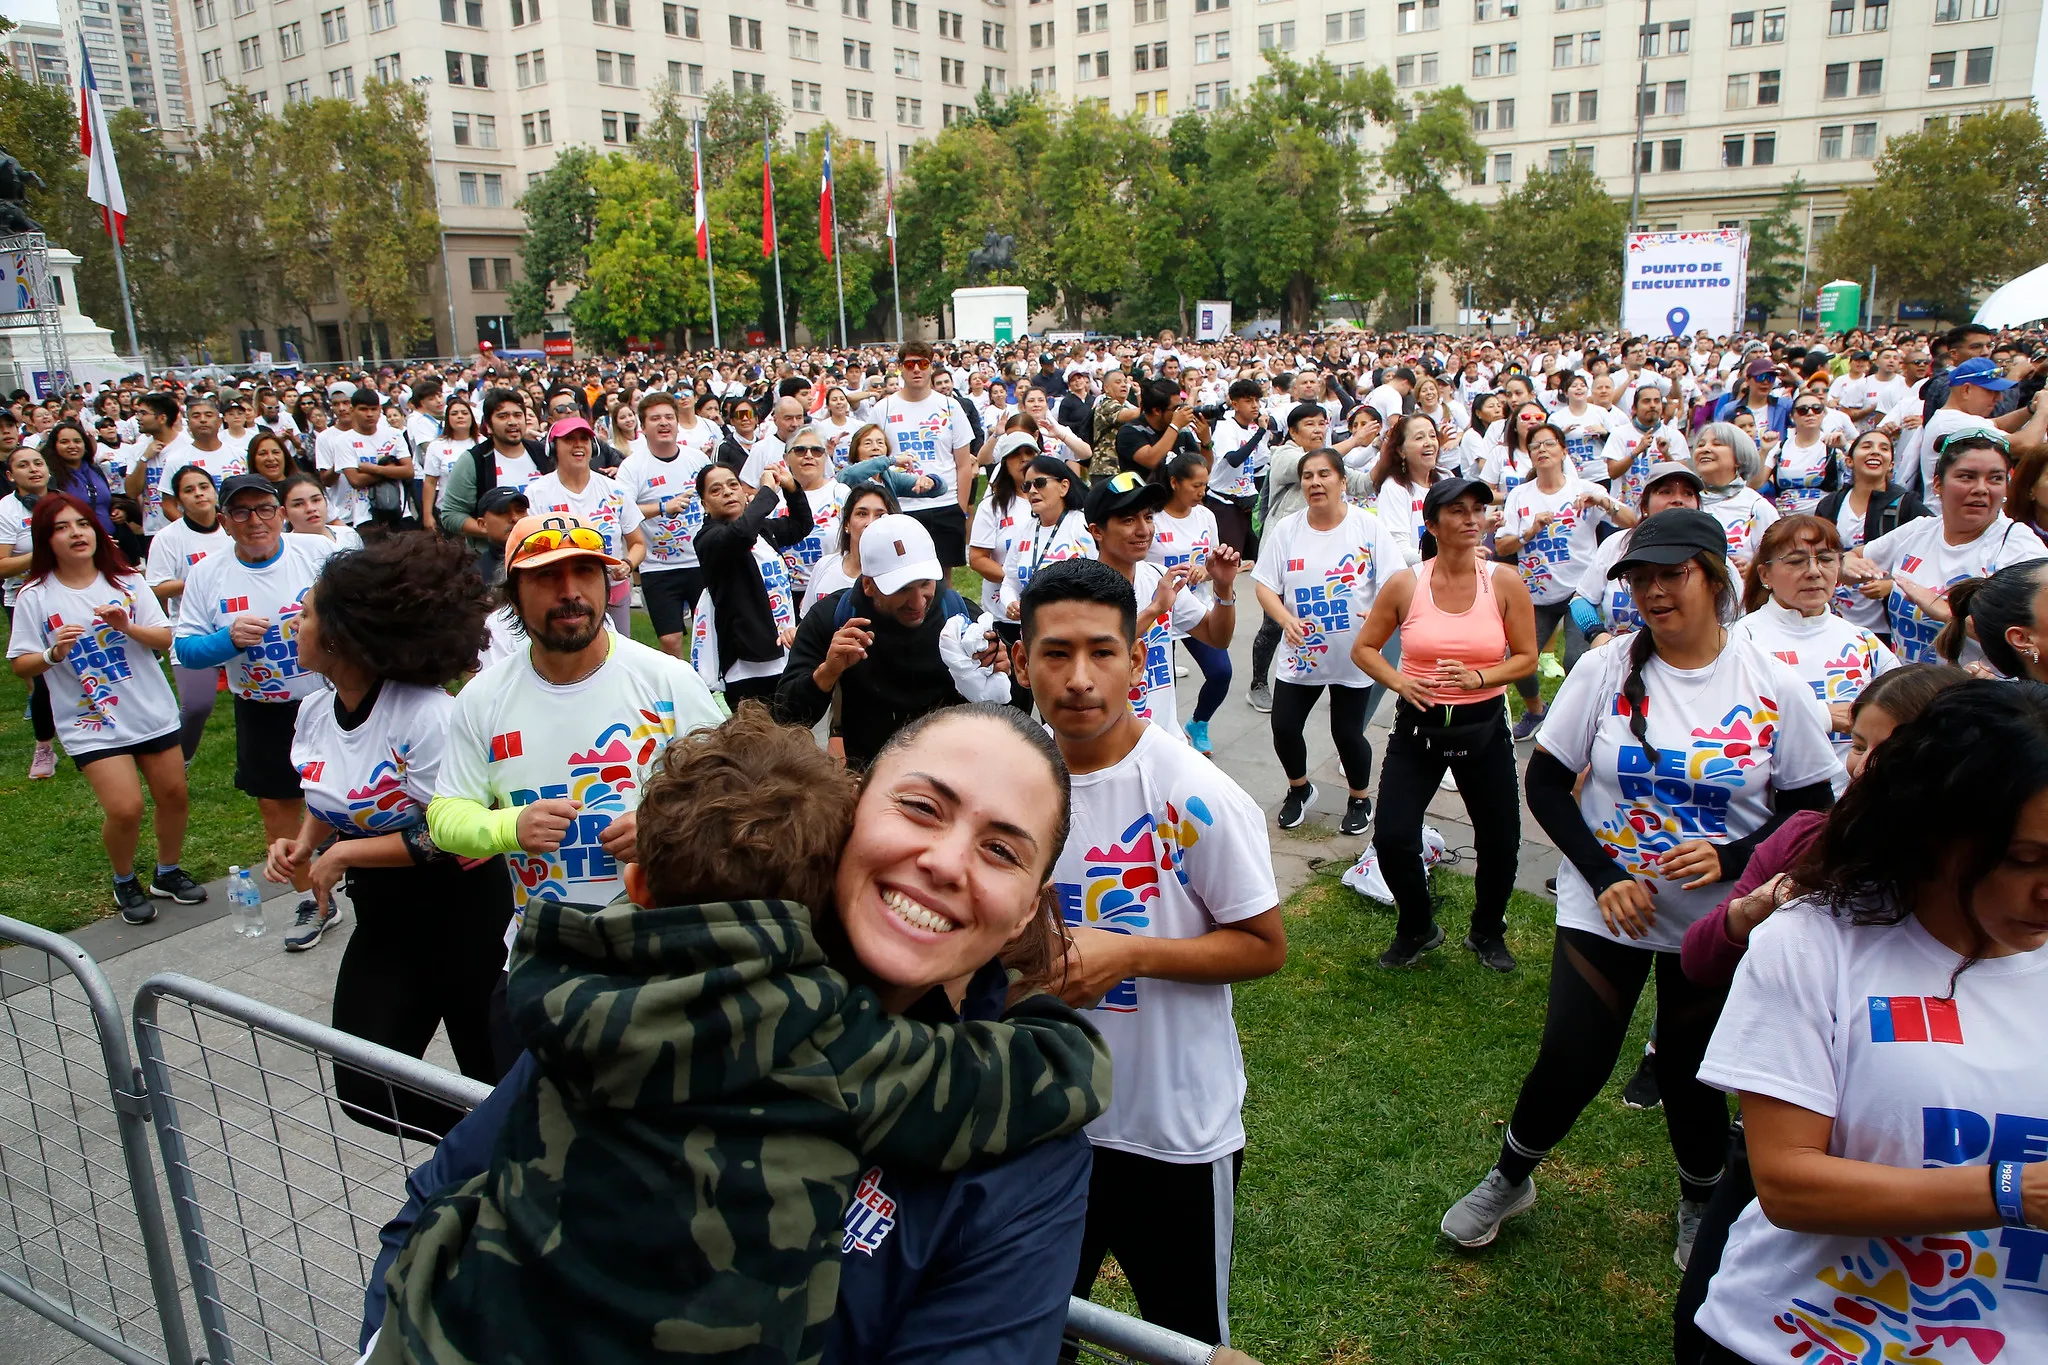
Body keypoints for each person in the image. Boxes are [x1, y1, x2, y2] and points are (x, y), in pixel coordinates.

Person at [364, 701, 1103, 1363]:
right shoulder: (690, 1004)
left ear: (1027, 905)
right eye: (920, 807)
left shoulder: (1029, 1164)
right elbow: (434, 1199)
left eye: (1002, 849)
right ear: (853, 808)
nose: (945, 861)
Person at [1440, 509, 1840, 1269]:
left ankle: (1697, 1200)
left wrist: (1731, 859)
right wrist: (1605, 874)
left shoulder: (1774, 684)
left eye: (1672, 574)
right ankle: (1509, 1177)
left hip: (1721, 919)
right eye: (1640, 578)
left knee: (1693, 1069)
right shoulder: (1605, 668)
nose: (1654, 592)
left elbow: (1812, 807)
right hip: (1608, 903)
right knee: (1571, 1054)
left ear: (1716, 577)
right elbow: (1550, 783)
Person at [1691, 680, 2048, 1365]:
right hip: (1808, 1339)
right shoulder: (1816, 939)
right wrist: (2011, 1191)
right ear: (1940, 830)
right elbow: (1790, 1180)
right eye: (2024, 859)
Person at [1016, 557, 1285, 1349]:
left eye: (1103, 651)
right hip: (1041, 1120)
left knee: (1186, 1337)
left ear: (1139, 659)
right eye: (1055, 653)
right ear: (1019, 659)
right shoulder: (1013, 783)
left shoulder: (1193, 792)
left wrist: (1130, 955)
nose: (1079, 678)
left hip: (1171, 1130)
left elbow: (1263, 945)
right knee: (1031, 1326)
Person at [262, 532, 512, 1139]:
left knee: (492, 1075)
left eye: (306, 613)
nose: (293, 622)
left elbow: (456, 835)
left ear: (339, 636)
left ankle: (508, 1162)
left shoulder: (427, 716)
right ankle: (480, 1151)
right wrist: (304, 840)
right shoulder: (318, 712)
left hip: (464, 920)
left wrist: (346, 852)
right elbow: (330, 792)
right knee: (365, 1087)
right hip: (386, 922)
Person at [1353, 477, 1538, 971]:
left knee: (1499, 839)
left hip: (1483, 726)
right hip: (1418, 726)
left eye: (1478, 509)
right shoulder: (1406, 583)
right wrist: (1399, 682)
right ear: (1432, 524)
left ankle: (1486, 932)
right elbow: (1364, 648)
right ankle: (1417, 927)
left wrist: (1480, 676)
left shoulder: (1502, 581)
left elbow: (1526, 658)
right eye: (1457, 511)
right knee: (1392, 836)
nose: (1472, 519)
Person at [7, 493, 204, 924]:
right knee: (125, 808)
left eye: (81, 523)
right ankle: (124, 879)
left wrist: (127, 626)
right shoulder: (35, 596)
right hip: (90, 719)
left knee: (173, 794)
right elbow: (20, 661)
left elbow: (165, 637)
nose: (75, 533)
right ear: (46, 540)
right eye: (61, 528)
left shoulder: (128, 582)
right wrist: (53, 654)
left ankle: (167, 873)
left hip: (149, 708)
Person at [173, 473, 331, 942]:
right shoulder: (208, 573)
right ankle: (312, 899)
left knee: (347, 791)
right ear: (224, 521)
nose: (254, 521)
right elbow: (185, 648)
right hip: (261, 704)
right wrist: (227, 640)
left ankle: (361, 878)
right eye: (240, 512)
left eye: (264, 509)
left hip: (328, 697)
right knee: (277, 803)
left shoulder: (316, 553)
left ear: (281, 513)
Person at [1252, 447, 1408, 834]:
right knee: (1285, 727)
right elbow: (1265, 586)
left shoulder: (1366, 527)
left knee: (1347, 732)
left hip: (1354, 656)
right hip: (1301, 655)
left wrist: (1380, 614)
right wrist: (1285, 618)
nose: (1315, 483)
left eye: (1324, 475)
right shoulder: (1288, 530)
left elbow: (1398, 580)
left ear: (1342, 481)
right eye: (1308, 476)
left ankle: (1360, 797)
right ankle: (1299, 789)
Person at [778, 512, 1012, 768]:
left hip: (952, 768)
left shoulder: (958, 613)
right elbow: (785, 715)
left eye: (925, 583)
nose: (917, 602)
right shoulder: (832, 617)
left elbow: (1010, 710)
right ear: (868, 585)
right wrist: (827, 672)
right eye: (901, 589)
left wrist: (1001, 671)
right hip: (872, 771)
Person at [1843, 432, 2048, 664]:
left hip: (1978, 695)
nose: (1981, 488)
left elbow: (2036, 640)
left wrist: (1947, 614)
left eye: (1995, 479)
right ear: (1938, 484)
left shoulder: (2020, 548)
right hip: (1908, 693)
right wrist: (1847, 562)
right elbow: (1854, 561)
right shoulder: (1918, 531)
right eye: (1967, 477)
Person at [1497, 422, 1633, 740]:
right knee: (1519, 661)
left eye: (1549, 444)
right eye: (1535, 446)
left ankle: (1581, 720)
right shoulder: (1519, 495)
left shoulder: (1584, 489)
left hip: (1579, 594)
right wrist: (1529, 530)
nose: (1542, 450)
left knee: (1577, 658)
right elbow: (1502, 546)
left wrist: (1603, 502)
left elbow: (1631, 522)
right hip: (1535, 595)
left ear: (1563, 450)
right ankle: (1535, 710)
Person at [1734, 515, 1900, 770]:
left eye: (1825, 559)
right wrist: (1824, 716)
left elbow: (1901, 715)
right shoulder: (1741, 640)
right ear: (1765, 574)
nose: (1813, 572)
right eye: (1796, 561)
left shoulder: (1864, 641)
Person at [1085, 469, 1240, 739]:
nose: (1143, 530)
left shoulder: (1157, 576)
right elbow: (1094, 653)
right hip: (1109, 742)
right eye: (1128, 520)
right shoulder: (1082, 588)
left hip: (1165, 738)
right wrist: (1155, 610)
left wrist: (1223, 588)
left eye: (1147, 518)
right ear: (1097, 531)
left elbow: (1217, 637)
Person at [690, 460, 810, 707]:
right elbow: (741, 535)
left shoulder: (763, 528)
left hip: (785, 654)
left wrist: (791, 487)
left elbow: (801, 525)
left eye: (732, 485)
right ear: (704, 504)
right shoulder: (708, 539)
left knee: (793, 736)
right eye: (715, 490)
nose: (727, 492)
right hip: (747, 666)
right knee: (757, 741)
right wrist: (766, 494)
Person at [522, 415, 645, 636]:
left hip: (613, 592)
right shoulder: (537, 493)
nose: (578, 444)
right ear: (553, 448)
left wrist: (627, 564)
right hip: (563, 595)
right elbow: (530, 551)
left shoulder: (615, 490)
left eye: (584, 438)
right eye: (569, 439)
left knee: (618, 655)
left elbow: (637, 544)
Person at [144, 465, 229, 762]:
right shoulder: (168, 538)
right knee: (197, 705)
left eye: (203, 486)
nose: (199, 494)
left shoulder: (233, 527)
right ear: (179, 500)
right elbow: (155, 587)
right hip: (192, 628)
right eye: (189, 490)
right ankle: (180, 760)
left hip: (240, 623)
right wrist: (197, 579)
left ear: (215, 490)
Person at [617, 390, 711, 658]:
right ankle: (679, 689)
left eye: (669, 417)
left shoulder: (697, 459)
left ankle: (710, 689)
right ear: (643, 427)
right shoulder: (633, 467)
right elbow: (622, 509)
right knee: (669, 640)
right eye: (655, 418)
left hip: (700, 562)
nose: (664, 423)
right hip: (658, 566)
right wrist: (662, 508)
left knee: (709, 633)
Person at [1571, 461, 1704, 649]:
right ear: (1645, 506)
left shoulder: (1710, 554)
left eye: (1688, 493)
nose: (1678, 499)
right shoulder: (1616, 545)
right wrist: (1596, 634)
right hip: (1621, 661)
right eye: (1665, 491)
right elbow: (1581, 600)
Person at [1813, 427, 1930, 640]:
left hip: (1887, 626)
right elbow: (1815, 553)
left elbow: (1932, 550)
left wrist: (1893, 585)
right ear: (1849, 461)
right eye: (1867, 446)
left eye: (1884, 448)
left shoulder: (1907, 504)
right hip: (1836, 619)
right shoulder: (1829, 505)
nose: (1875, 452)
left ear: (1891, 466)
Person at [1151, 453, 1233, 754]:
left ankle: (1199, 722)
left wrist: (1206, 571)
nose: (1202, 492)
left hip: (1195, 610)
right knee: (1163, 684)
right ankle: (1164, 740)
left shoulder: (1205, 516)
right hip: (1158, 613)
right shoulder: (1153, 518)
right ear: (1174, 482)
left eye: (1205, 485)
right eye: (1196, 485)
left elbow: (1215, 563)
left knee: (1221, 672)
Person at [871, 340, 976, 570]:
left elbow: (964, 464)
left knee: (941, 579)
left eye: (922, 363)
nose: (916, 369)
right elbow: (872, 458)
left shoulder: (950, 406)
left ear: (931, 366)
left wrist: (960, 506)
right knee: (901, 575)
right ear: (900, 367)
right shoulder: (884, 408)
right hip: (901, 505)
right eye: (910, 365)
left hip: (945, 503)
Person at [0, 443, 60, 778]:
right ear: (11, 476)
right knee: (43, 677)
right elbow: (2, 566)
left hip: (69, 593)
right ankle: (44, 749)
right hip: (25, 600)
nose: (34, 469)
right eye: (23, 465)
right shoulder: (6, 511)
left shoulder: (61, 502)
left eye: (38, 463)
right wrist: (43, 550)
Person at [438, 387, 553, 558]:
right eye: (503, 416)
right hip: (495, 558)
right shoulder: (473, 461)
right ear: (489, 426)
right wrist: (496, 531)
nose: (512, 422)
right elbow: (450, 515)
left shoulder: (543, 453)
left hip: (545, 550)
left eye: (517, 415)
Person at [997, 455, 1095, 622]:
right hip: (1034, 629)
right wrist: (1010, 603)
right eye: (1027, 486)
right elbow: (1009, 582)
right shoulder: (1024, 531)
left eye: (1040, 483)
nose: (1033, 491)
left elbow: (1102, 579)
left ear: (1064, 487)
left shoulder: (1082, 525)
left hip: (1078, 625)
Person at [315, 387, 413, 534]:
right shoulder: (343, 441)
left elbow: (408, 471)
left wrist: (371, 469)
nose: (369, 414)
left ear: (380, 410)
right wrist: (392, 470)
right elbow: (355, 480)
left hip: (400, 511)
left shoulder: (395, 435)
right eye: (363, 409)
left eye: (374, 409)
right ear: (353, 410)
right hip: (366, 515)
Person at [967, 431, 1038, 626]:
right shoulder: (991, 506)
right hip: (1003, 613)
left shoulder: (1056, 503)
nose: (1024, 459)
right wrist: (1019, 581)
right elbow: (977, 559)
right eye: (1016, 454)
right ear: (1005, 462)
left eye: (1030, 453)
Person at [799, 482, 899, 616]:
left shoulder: (899, 574)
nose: (870, 523)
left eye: (880, 515)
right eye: (862, 514)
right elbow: (806, 625)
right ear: (847, 524)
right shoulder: (824, 565)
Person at [1692, 422, 1780, 570]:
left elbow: (1778, 561)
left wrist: (1753, 570)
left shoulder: (1756, 507)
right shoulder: (1687, 502)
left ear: (1739, 458)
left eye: (1717, 444)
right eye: (1700, 445)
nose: (1705, 449)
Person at [416, 395, 477, 520]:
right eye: (454, 413)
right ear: (447, 419)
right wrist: (427, 515)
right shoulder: (436, 446)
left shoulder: (483, 443)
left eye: (464, 413)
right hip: (448, 511)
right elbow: (430, 482)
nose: (460, 416)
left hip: (479, 510)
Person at [279, 470, 364, 555]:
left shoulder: (349, 535)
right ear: (284, 513)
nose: (310, 508)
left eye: (316, 500)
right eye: (298, 504)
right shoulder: (287, 553)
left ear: (326, 502)